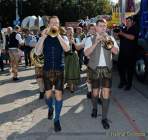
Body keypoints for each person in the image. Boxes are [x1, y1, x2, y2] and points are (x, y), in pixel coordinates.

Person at [35, 16, 69, 132]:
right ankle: (50, 107)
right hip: (47, 70)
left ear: (59, 25)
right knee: (48, 96)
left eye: (57, 23)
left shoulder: (63, 36)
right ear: (48, 24)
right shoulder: (44, 37)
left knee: (59, 96)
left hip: (59, 70)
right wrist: (43, 36)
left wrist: (58, 35)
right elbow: (37, 52)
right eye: (52, 23)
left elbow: (67, 49)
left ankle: (57, 120)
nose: (54, 24)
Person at [84, 19, 119, 129]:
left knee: (105, 93)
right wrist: (96, 42)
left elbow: (115, 51)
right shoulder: (90, 39)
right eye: (101, 26)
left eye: (105, 26)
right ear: (96, 28)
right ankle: (94, 108)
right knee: (95, 93)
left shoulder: (110, 38)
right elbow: (86, 53)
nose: (103, 28)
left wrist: (106, 41)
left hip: (107, 69)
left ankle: (104, 118)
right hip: (94, 69)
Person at [116, 16, 138, 90]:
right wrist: (118, 33)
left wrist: (122, 34)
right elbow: (121, 37)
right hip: (122, 52)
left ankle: (129, 84)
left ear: (132, 22)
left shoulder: (134, 28)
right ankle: (123, 81)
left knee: (129, 70)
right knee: (120, 67)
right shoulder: (124, 29)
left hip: (131, 53)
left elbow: (132, 37)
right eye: (126, 21)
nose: (127, 22)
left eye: (129, 21)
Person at [64, 27, 80, 93]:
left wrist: (74, 43)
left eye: (71, 32)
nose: (70, 33)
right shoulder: (63, 39)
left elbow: (78, 48)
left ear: (73, 32)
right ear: (66, 32)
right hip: (66, 56)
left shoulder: (76, 39)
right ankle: (68, 84)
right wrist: (67, 42)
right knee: (66, 71)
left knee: (73, 71)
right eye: (68, 31)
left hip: (73, 56)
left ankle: (72, 87)